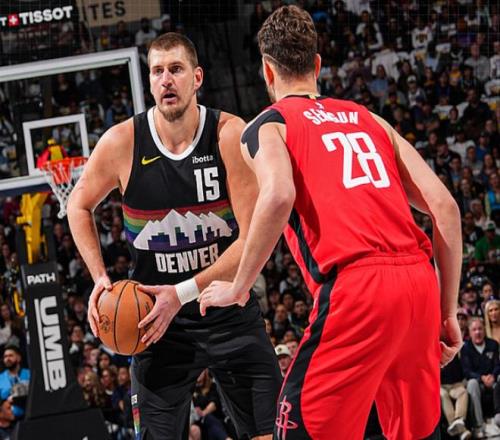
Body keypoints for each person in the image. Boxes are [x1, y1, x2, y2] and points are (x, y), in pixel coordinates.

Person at [198, 6, 462, 440]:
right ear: (317, 65)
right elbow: (445, 208)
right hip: (418, 284)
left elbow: (278, 195)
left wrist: (239, 286)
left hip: (357, 289)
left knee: (296, 428)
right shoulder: (370, 119)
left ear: (267, 71)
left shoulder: (269, 125)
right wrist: (446, 312)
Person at [67, 32, 280, 440]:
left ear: (197, 78)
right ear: (148, 81)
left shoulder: (228, 135)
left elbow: (252, 240)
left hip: (226, 309)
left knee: (269, 434)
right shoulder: (122, 142)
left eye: (176, 69)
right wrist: (99, 277)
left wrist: (180, 294)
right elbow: (77, 205)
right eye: (157, 71)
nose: (166, 79)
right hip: (154, 325)